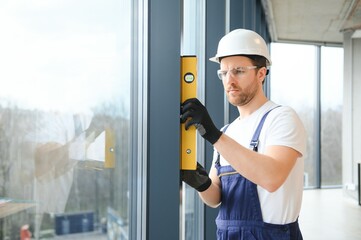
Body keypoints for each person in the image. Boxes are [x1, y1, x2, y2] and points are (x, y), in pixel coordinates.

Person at [180, 28, 307, 240]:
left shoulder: (282, 118)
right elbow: (216, 198)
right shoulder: (227, 132)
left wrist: (212, 135)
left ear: (261, 73)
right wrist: (198, 181)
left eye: (238, 71)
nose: (229, 81)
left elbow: (271, 177)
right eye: (224, 72)